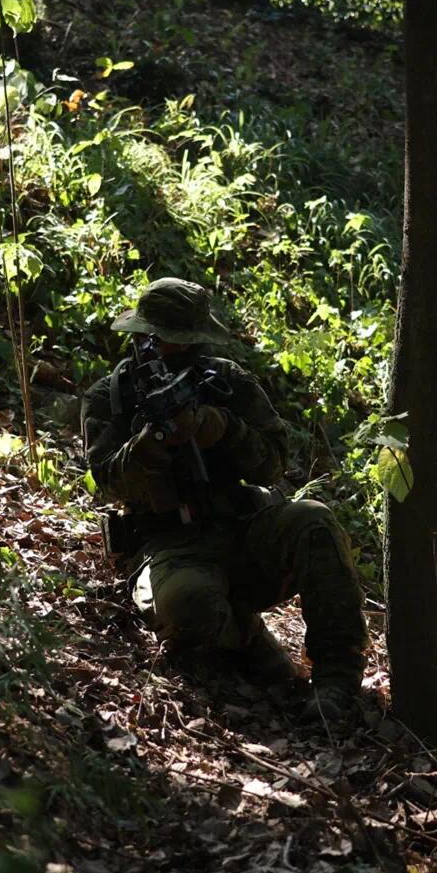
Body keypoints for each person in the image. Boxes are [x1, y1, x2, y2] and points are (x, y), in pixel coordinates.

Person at [82, 277, 370, 720]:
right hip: (167, 546)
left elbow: (273, 464)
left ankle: (336, 682)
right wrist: (152, 444)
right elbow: (109, 483)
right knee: (190, 605)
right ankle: (248, 637)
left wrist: (224, 428)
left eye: (179, 341)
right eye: (159, 340)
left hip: (242, 532)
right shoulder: (111, 397)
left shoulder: (226, 381)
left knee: (314, 521)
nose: (167, 350)